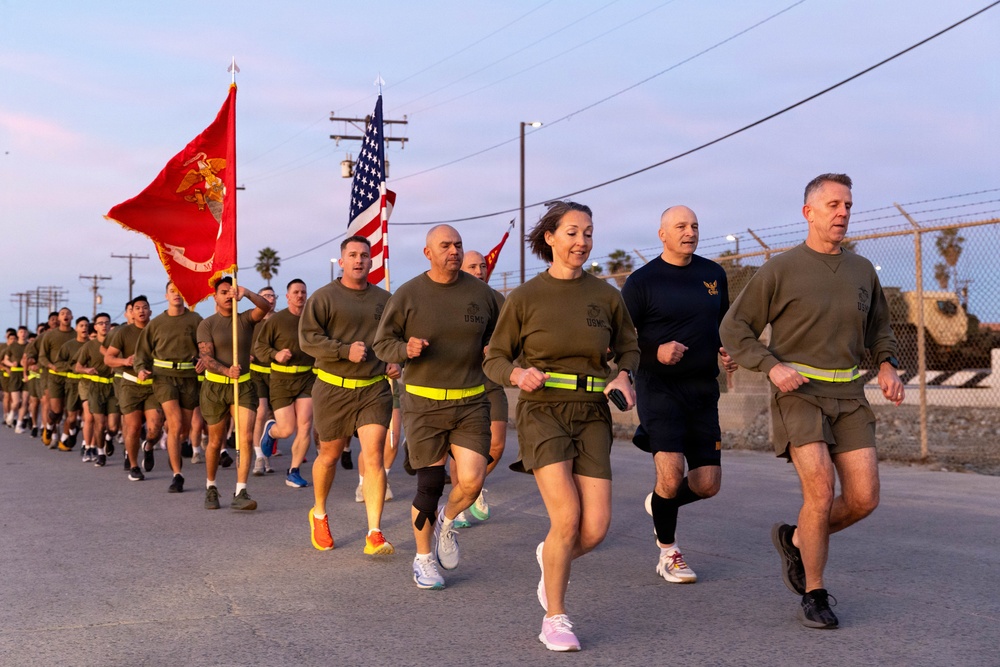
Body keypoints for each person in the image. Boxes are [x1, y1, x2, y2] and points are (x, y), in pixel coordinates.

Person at [719, 173, 904, 629]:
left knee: (863, 499)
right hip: (797, 392)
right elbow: (734, 328)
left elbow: (879, 326)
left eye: (848, 206)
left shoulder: (861, 271)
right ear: (809, 212)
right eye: (834, 205)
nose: (843, 212)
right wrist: (770, 365)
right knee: (820, 491)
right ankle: (815, 592)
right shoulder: (780, 269)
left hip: (849, 394)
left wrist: (886, 364)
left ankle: (797, 537)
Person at [483, 201, 639, 652]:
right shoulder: (525, 298)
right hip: (543, 409)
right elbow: (494, 357)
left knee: (595, 529)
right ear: (550, 238)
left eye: (588, 233)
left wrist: (624, 373)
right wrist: (516, 374)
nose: (582, 242)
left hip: (592, 411)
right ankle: (555, 617)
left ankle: (552, 553)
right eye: (572, 232)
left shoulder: (606, 295)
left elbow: (629, 347)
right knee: (567, 518)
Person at [374, 225, 499, 589]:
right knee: (429, 485)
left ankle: (448, 519)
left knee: (473, 480)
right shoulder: (409, 294)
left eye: (458, 245)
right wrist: (405, 349)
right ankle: (423, 558)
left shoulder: (482, 293)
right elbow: (383, 343)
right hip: (424, 402)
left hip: (471, 399)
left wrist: (496, 348)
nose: (454, 251)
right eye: (445, 246)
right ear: (428, 253)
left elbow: (506, 330)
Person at [621, 205, 737, 584]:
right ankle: (668, 552)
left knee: (707, 484)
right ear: (662, 234)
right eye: (681, 226)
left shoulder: (713, 274)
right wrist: (654, 351)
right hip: (660, 388)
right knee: (671, 477)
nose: (690, 232)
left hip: (703, 390)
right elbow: (621, 339)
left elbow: (722, 325)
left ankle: (660, 503)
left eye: (695, 226)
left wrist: (728, 350)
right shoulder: (642, 282)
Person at [300, 238, 400, 554]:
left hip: (373, 389)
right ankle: (319, 513)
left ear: (372, 262)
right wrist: (343, 351)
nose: (359, 260)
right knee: (328, 456)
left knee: (373, 456)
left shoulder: (385, 299)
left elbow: (395, 339)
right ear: (341, 261)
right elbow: (308, 340)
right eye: (352, 255)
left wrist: (396, 360)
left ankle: (374, 533)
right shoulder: (324, 298)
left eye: (364, 256)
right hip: (332, 387)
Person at [196, 277, 271, 511]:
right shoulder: (207, 324)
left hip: (244, 386)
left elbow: (265, 307)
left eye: (231, 291)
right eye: (223, 292)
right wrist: (227, 370)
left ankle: (241, 490)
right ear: (215, 297)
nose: (228, 295)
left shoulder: (245, 319)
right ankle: (211, 486)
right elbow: (206, 358)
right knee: (216, 440)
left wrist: (246, 292)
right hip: (215, 387)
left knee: (245, 438)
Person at [453, 249, 507, 527]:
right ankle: (459, 502)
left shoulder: (498, 299)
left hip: (491, 379)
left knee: (496, 442)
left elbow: (513, 335)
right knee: (460, 450)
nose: (479, 271)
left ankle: (474, 486)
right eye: (472, 266)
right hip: (461, 380)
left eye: (482, 266)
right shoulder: (452, 296)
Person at [135, 281, 203, 493]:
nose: (177, 294)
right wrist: (141, 369)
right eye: (173, 291)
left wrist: (204, 359)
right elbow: (142, 353)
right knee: (175, 424)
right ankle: (177, 475)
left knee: (182, 430)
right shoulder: (156, 323)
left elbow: (205, 346)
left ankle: (151, 443)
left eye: (180, 291)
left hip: (189, 378)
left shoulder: (195, 319)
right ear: (166, 296)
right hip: (164, 378)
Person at [256, 279, 314, 487]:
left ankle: (294, 470)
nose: (300, 295)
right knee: (287, 429)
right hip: (281, 379)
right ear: (288, 296)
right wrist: (276, 354)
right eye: (296, 292)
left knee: (305, 424)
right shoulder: (276, 321)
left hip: (307, 378)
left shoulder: (313, 319)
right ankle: (272, 430)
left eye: (303, 292)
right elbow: (260, 348)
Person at [105, 295, 163, 481]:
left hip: (154, 384)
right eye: (137, 308)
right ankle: (134, 465)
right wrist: (125, 361)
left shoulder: (157, 329)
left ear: (150, 311)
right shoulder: (123, 332)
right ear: (132, 312)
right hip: (130, 384)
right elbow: (108, 358)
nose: (141, 311)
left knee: (155, 427)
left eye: (145, 307)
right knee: (134, 427)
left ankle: (148, 446)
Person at [75, 313, 116, 466]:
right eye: (100, 323)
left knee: (113, 426)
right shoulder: (89, 346)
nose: (104, 325)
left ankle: (108, 438)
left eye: (107, 323)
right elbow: (77, 367)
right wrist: (87, 370)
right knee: (99, 423)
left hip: (113, 386)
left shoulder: (116, 343)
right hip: (96, 387)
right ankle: (100, 452)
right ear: (96, 326)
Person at [250, 285, 277, 471]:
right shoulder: (251, 320)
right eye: (265, 296)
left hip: (277, 373)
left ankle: (266, 457)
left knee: (275, 418)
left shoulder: (281, 319)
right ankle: (259, 457)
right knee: (261, 412)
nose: (270, 298)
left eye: (272, 295)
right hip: (256, 372)